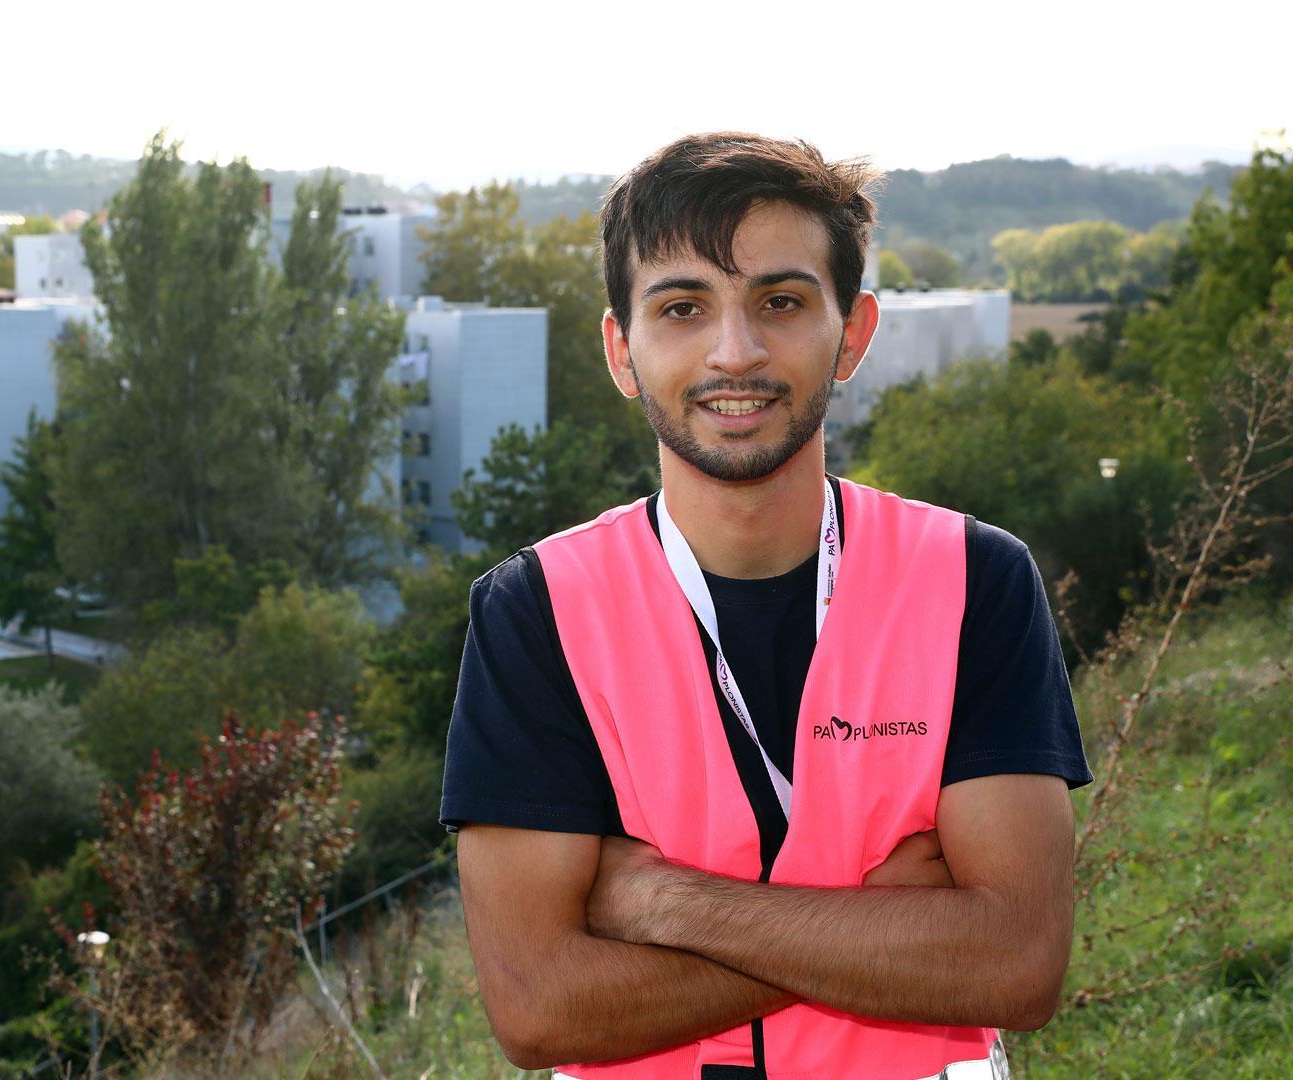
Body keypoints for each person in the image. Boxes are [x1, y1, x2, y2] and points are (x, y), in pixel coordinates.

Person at [439, 133, 1091, 1079]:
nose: (734, 351)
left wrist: (672, 907)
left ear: (852, 335)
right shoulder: (536, 608)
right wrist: (884, 930)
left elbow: (1016, 966)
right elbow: (540, 1010)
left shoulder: (972, 578)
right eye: (682, 307)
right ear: (623, 350)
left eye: (780, 302)